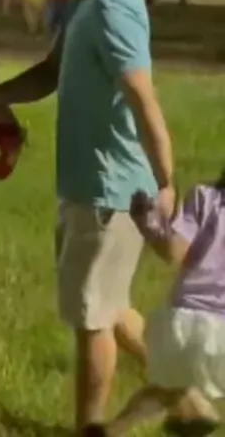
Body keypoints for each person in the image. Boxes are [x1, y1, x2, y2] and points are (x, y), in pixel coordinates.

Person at [0, 0, 210, 436]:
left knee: (92, 318)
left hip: (111, 191)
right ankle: (187, 399)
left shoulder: (115, 6)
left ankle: (88, 428)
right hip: (88, 183)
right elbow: (50, 72)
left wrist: (166, 181)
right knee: (107, 305)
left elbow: (142, 98)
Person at [96, 177, 225, 437]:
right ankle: (191, 415)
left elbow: (174, 251)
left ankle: (112, 429)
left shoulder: (205, 198)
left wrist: (149, 222)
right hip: (220, 336)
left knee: (166, 389)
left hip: (179, 327)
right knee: (173, 390)